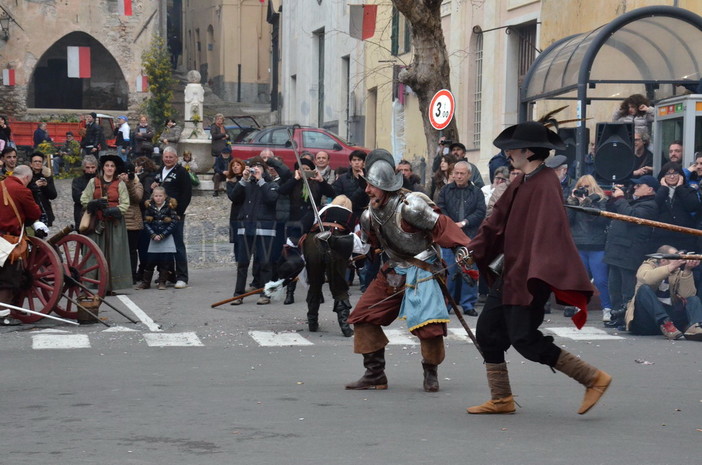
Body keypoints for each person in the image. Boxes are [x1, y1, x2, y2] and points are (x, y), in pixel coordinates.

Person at [466, 121, 611, 416]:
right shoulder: (521, 181)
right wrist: (472, 250)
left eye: (513, 149)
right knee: (487, 332)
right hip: (511, 273)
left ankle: (592, 378)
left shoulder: (546, 184)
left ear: (529, 151)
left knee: (524, 339)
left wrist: (535, 275)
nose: (508, 154)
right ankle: (501, 399)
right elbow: (496, 223)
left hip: (531, 277)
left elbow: (549, 236)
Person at [345, 149, 471, 393]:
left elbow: (442, 226)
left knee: (429, 327)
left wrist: (461, 249)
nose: (367, 190)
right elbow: (368, 247)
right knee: (363, 315)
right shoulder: (369, 215)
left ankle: (430, 373)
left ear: (386, 186)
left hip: (423, 270)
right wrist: (338, 245)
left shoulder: (411, 206)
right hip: (392, 270)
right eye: (367, 185)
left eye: (372, 186)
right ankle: (375, 374)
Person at [278, 157, 335, 304]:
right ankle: (290, 292)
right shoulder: (293, 182)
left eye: (308, 169)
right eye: (302, 169)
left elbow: (332, 193)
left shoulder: (316, 183)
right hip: (295, 225)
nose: (305, 172)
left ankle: (316, 291)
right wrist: (295, 179)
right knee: (293, 259)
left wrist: (321, 180)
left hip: (312, 224)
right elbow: (282, 191)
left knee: (314, 259)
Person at [604, 175, 659, 323]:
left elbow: (632, 217)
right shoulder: (632, 201)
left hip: (630, 252)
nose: (635, 187)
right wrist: (616, 198)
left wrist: (621, 199)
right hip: (616, 250)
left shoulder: (650, 205)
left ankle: (629, 318)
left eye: (639, 185)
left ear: (650, 189)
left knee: (627, 290)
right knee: (613, 287)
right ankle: (617, 316)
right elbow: (610, 210)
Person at [301, 195, 357, 336]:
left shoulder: (319, 209)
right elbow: (355, 239)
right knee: (339, 285)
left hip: (314, 241)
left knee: (314, 282)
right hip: (337, 241)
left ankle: (312, 322)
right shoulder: (351, 215)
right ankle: (345, 327)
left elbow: (305, 225)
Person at [437, 160, 486, 316]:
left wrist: (464, 222)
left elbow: (480, 212)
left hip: (469, 236)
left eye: (462, 173)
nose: (458, 176)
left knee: (469, 270)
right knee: (449, 271)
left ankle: (468, 304)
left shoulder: (477, 192)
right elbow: (440, 208)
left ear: (469, 175)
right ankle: (447, 303)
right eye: (456, 173)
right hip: (449, 237)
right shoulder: (445, 190)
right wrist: (451, 223)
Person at [229, 156, 279, 305]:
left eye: (258, 167)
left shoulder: (271, 184)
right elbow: (234, 197)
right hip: (246, 227)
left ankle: (265, 294)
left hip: (265, 228)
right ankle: (238, 294)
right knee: (242, 263)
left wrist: (261, 180)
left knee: (265, 263)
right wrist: (243, 180)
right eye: (252, 167)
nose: (255, 170)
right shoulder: (245, 184)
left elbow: (271, 199)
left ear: (264, 170)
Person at [624, 245, 702, 341]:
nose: (679, 259)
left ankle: (696, 327)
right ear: (663, 260)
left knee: (693, 299)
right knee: (644, 289)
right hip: (646, 320)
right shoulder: (647, 266)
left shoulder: (677, 271)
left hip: (672, 321)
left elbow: (688, 295)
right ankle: (665, 323)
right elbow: (647, 279)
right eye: (675, 256)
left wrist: (687, 270)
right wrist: (671, 266)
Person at [80, 155, 133, 293]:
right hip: (97, 223)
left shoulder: (120, 184)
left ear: (115, 169)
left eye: (112, 166)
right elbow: (84, 199)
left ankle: (111, 285)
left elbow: (125, 203)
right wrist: (93, 203)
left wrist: (114, 210)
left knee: (114, 254)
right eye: (107, 165)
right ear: (103, 167)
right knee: (94, 253)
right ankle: (92, 282)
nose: (109, 168)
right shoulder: (93, 182)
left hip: (114, 224)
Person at [566, 174, 612, 322]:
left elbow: (599, 221)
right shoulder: (575, 201)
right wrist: (572, 202)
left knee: (600, 280)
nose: (583, 190)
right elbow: (567, 221)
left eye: (586, 187)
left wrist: (586, 203)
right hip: (579, 245)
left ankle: (607, 308)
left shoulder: (601, 200)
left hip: (596, 245)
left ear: (593, 187)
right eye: (580, 187)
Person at [0, 166, 42, 325]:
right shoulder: (22, 190)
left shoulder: (1, 184)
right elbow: (35, 214)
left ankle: (9, 309)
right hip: (9, 241)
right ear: (26, 178)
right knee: (9, 278)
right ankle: (3, 315)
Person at [151, 147, 192, 289]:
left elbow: (186, 194)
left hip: (175, 214)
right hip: (160, 214)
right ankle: (168, 274)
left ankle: (182, 277)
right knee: (164, 245)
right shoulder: (159, 171)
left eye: (171, 157)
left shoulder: (181, 172)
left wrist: (179, 212)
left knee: (178, 245)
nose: (168, 159)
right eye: (166, 157)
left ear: (176, 158)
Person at [650, 162, 699, 253]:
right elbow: (654, 207)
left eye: (675, 173)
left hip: (685, 239)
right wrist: (664, 188)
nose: (672, 176)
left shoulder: (689, 190)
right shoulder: (658, 191)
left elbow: (693, 206)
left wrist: (680, 187)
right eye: (668, 174)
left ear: (681, 176)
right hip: (662, 239)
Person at [136, 187, 179, 290]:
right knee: (150, 260)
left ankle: (162, 281)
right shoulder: (149, 207)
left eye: (160, 196)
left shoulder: (169, 207)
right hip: (153, 237)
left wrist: (163, 234)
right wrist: (153, 235)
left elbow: (173, 223)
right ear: (153, 197)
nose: (158, 198)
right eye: (156, 196)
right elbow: (146, 223)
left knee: (165, 261)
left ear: (165, 196)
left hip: (165, 237)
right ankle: (146, 282)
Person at [119, 162, 144, 284]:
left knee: (132, 250)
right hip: (119, 219)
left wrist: (128, 184)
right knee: (119, 250)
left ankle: (132, 275)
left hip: (132, 221)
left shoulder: (137, 184)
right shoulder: (116, 184)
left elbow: (137, 199)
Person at [27, 152, 57, 227]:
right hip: (31, 211)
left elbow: (53, 195)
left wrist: (46, 186)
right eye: (35, 161)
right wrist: (34, 186)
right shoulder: (26, 176)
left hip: (45, 210)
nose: (37, 163)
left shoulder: (47, 176)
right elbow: (24, 193)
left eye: (39, 161)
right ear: (31, 164)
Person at [71, 155, 98, 228]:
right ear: (84, 168)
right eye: (88, 167)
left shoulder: (100, 180)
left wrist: (85, 194)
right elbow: (76, 197)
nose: (90, 170)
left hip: (97, 214)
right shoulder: (77, 181)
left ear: (96, 167)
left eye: (92, 167)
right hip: (80, 213)